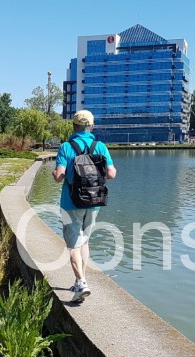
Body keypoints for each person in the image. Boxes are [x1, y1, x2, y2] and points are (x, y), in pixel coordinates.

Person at [53, 110, 117, 303]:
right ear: (92, 126)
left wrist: (56, 172)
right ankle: (80, 280)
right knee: (85, 242)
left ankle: (81, 283)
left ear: (74, 126)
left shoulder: (66, 147)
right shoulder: (100, 146)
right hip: (94, 203)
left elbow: (58, 177)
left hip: (71, 203)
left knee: (73, 244)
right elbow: (111, 174)